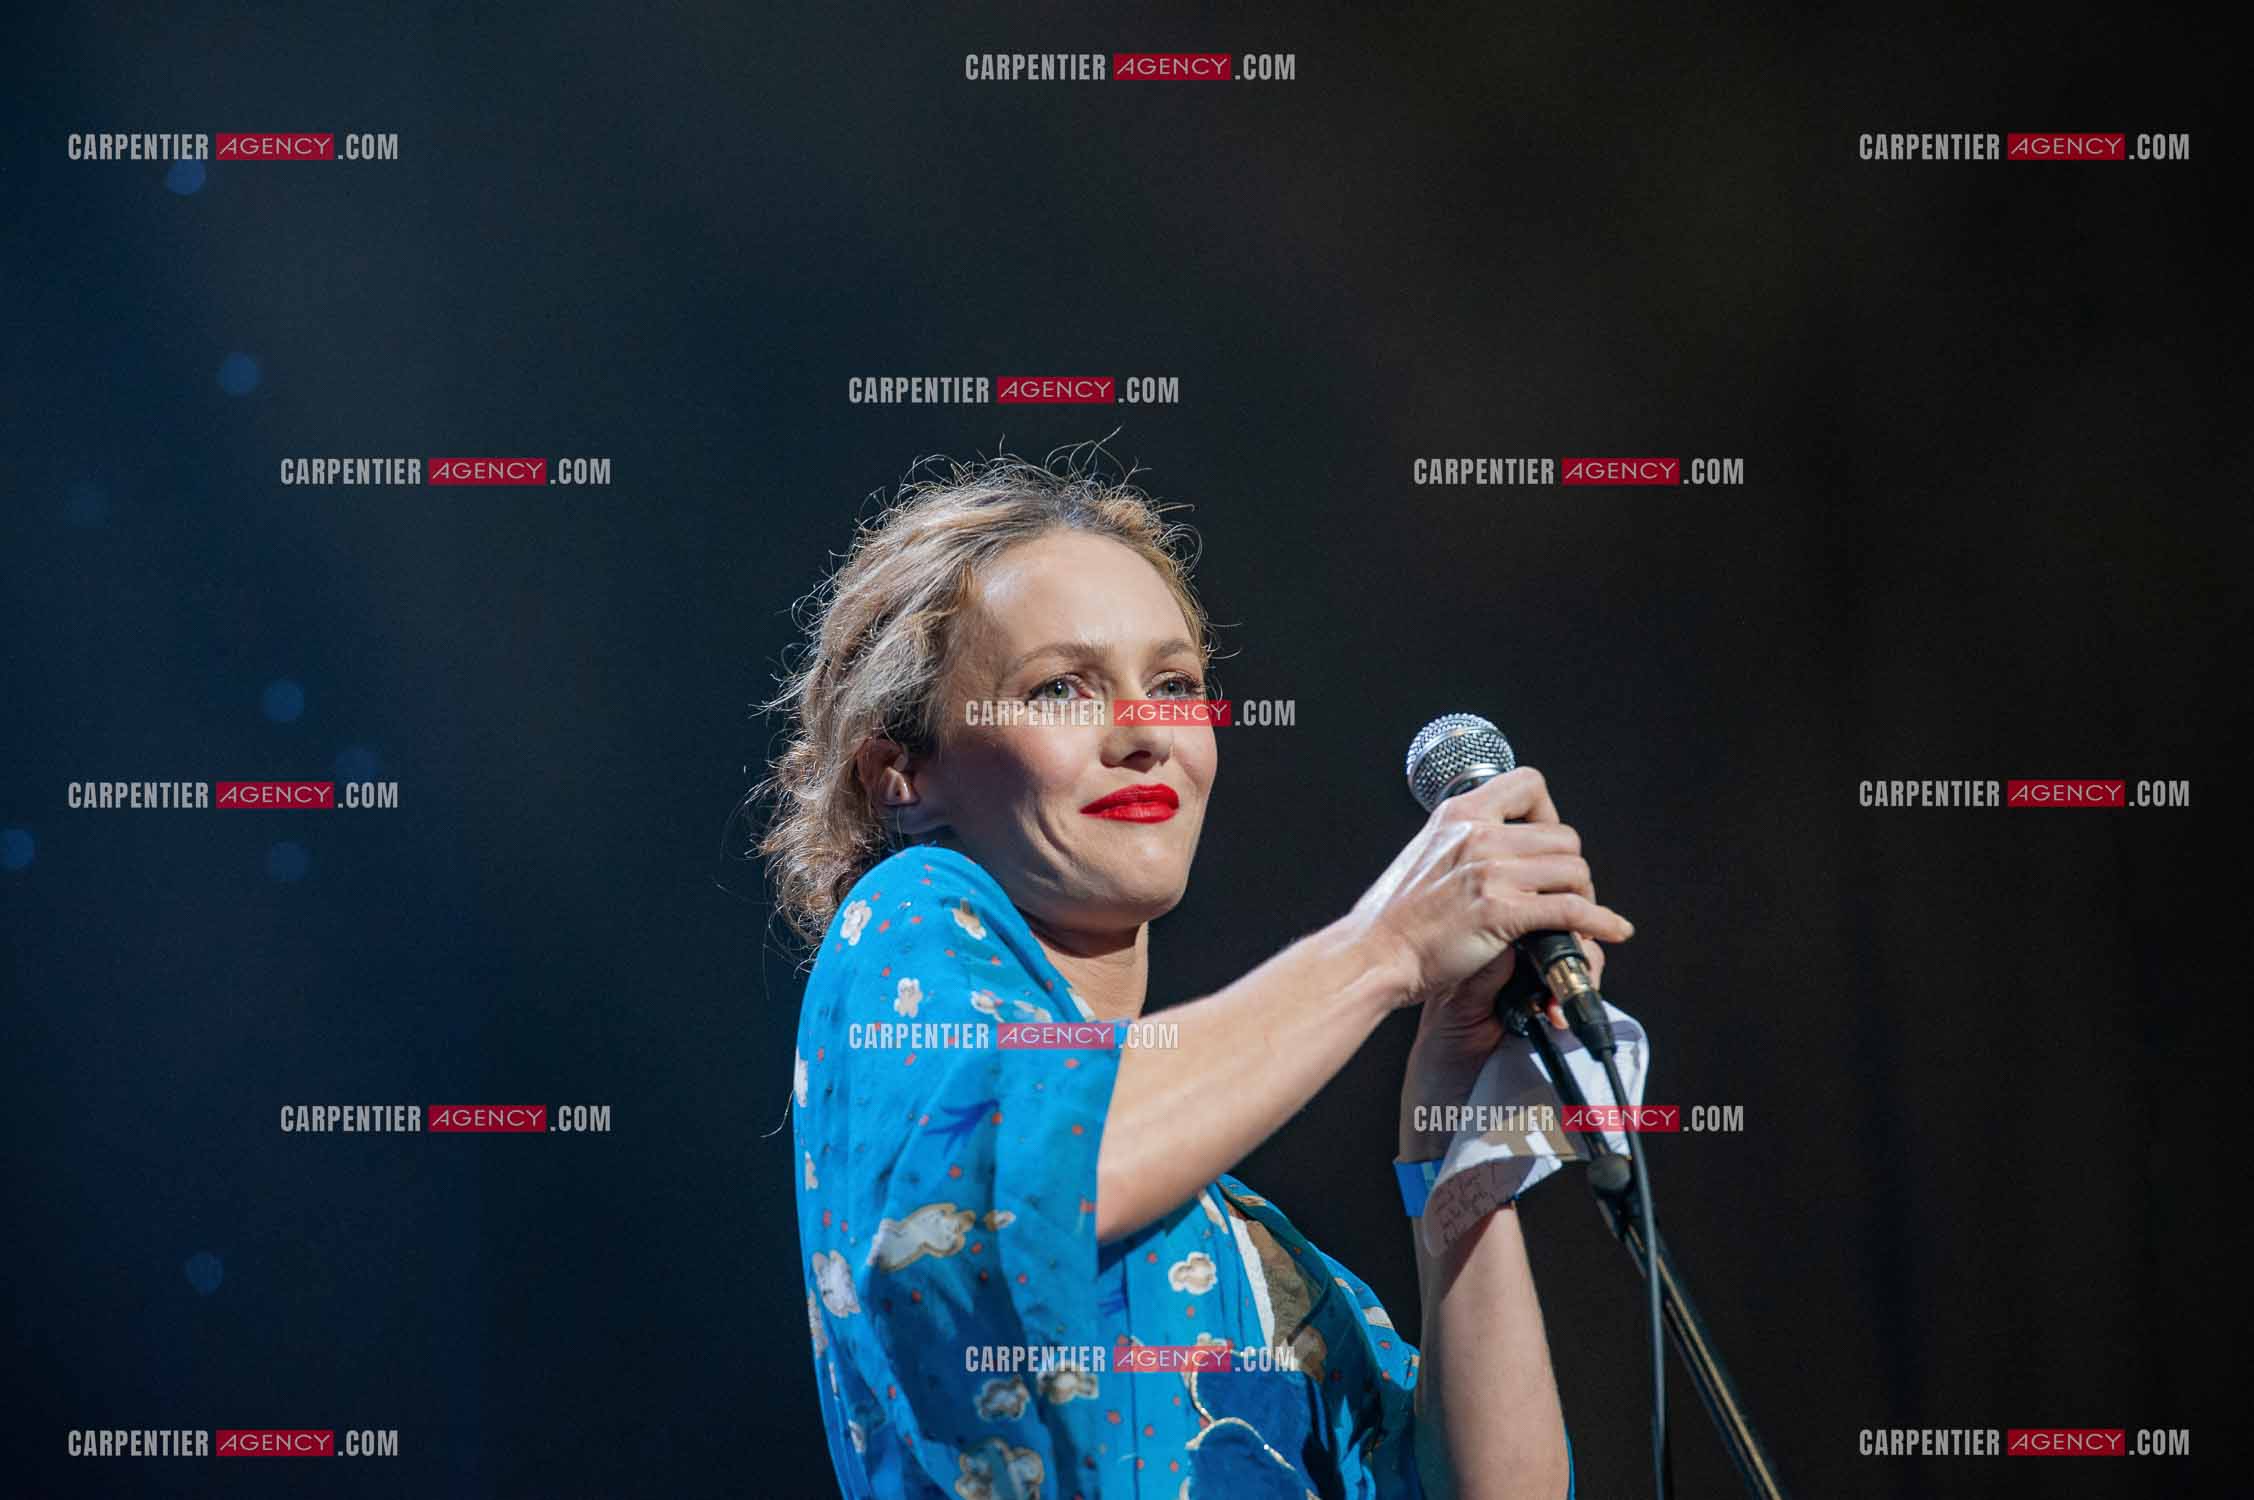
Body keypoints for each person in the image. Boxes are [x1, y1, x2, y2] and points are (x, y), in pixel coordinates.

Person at [759, 454, 1645, 1499]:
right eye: (1061, 688)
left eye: (1175, 685)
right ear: (900, 776)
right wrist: (1386, 947)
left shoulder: (1255, 1263)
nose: (1147, 734)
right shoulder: (902, 911)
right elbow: (1025, 1181)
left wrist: (1454, 1147)